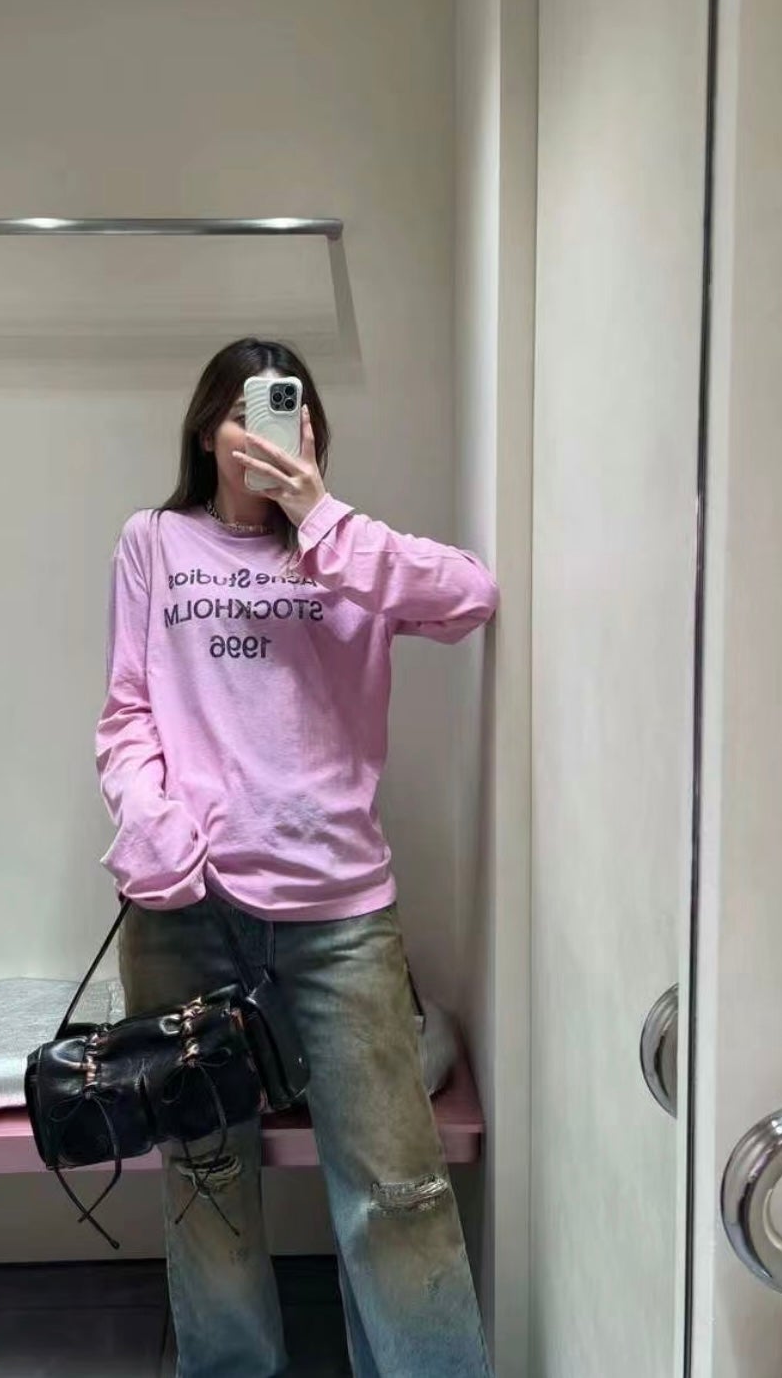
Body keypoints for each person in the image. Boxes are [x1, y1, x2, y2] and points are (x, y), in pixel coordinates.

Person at [95, 336, 499, 1378]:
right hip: (186, 914)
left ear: (312, 432)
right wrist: (153, 822)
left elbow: (470, 595)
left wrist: (322, 518)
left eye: (285, 410)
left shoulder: (349, 549)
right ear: (205, 431)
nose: (262, 432)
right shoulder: (153, 542)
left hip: (338, 915)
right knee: (208, 1183)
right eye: (242, 412)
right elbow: (128, 713)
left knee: (398, 1192)